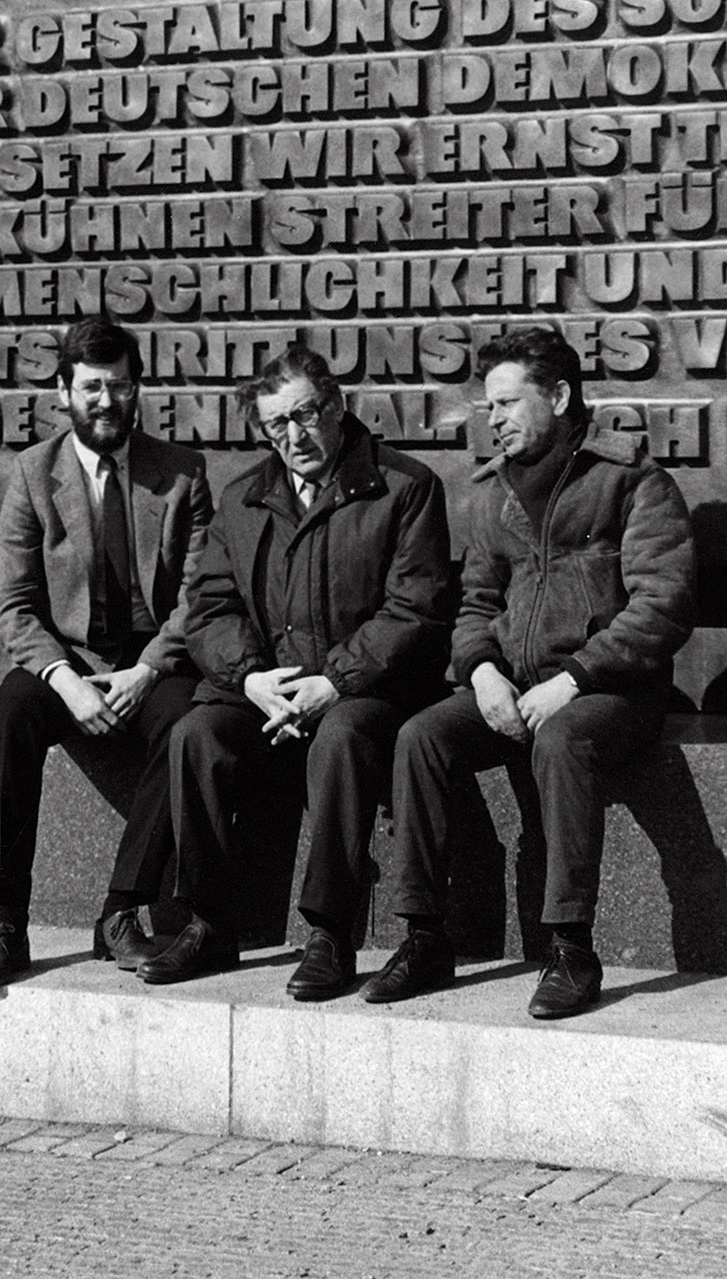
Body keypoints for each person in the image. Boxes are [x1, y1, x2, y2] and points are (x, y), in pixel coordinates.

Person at [367, 327, 694, 1020]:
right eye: (490, 407)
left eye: (509, 403)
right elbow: (476, 603)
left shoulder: (631, 479)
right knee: (421, 737)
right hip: (513, 686)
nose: (496, 419)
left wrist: (573, 677)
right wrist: (482, 671)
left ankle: (571, 948)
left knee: (561, 740)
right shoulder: (491, 493)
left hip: (610, 691)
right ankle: (425, 935)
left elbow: (662, 605)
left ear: (560, 395)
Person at [137, 344, 452, 999]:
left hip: (366, 689)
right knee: (196, 735)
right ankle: (208, 923)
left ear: (337, 407)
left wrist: (331, 681)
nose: (293, 435)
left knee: (342, 737)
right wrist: (252, 677)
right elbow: (206, 607)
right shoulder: (244, 496)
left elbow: (414, 608)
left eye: (305, 415)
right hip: (267, 689)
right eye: (275, 424)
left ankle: (329, 935)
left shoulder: (405, 486)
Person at [0, 318, 213, 985]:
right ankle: (6, 922)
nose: (108, 401)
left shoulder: (183, 474)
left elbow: (200, 594)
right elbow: (10, 600)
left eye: (122, 386)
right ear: (64, 390)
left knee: (193, 727)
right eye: (93, 387)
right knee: (9, 718)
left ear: (138, 391)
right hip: (62, 658)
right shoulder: (33, 473)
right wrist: (65, 680)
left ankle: (121, 908)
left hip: (150, 657)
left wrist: (149, 668)